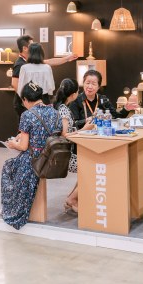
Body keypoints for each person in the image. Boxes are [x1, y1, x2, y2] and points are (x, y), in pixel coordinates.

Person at [1, 81, 61, 229]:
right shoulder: (54, 112)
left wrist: (13, 144)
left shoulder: (27, 115)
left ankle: (11, 208)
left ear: (25, 100)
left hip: (33, 160)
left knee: (9, 166)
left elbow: (23, 146)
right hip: (50, 158)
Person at [11, 35, 77, 117]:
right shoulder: (20, 64)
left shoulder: (33, 62)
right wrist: (26, 101)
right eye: (31, 45)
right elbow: (15, 84)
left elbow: (50, 61)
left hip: (37, 102)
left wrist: (67, 58)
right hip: (25, 103)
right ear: (25, 48)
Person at [68, 69, 137, 129]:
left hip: (101, 134)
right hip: (82, 136)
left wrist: (126, 109)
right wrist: (88, 119)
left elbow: (116, 117)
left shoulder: (103, 99)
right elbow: (72, 124)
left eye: (93, 84)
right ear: (83, 83)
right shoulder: (75, 101)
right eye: (87, 83)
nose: (90, 86)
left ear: (98, 87)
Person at [53, 78, 82, 213]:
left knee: (88, 168)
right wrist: (83, 130)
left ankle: (72, 199)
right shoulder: (64, 110)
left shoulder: (59, 107)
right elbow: (64, 134)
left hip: (62, 153)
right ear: (74, 94)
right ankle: (72, 199)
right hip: (66, 156)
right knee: (91, 168)